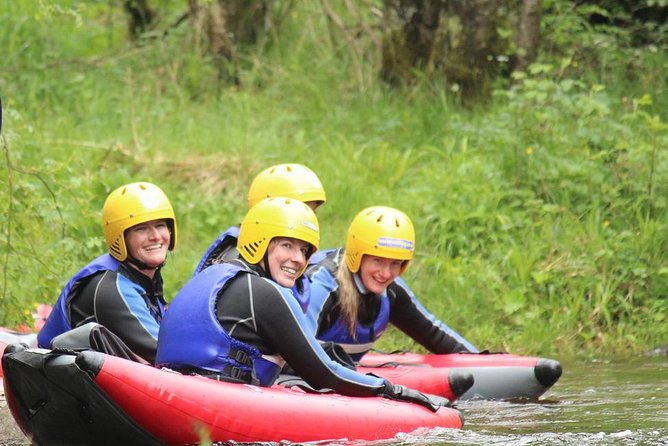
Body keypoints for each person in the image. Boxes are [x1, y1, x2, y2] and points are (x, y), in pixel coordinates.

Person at [156, 197, 449, 411]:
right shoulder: (262, 292)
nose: (298, 258)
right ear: (259, 241)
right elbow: (324, 374)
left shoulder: (216, 273)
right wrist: (392, 389)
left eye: (304, 250)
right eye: (287, 245)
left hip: (173, 391)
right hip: (213, 403)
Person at [305, 206, 478, 363]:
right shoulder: (321, 288)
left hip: (336, 373)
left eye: (395, 263)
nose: (386, 273)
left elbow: (435, 335)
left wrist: (481, 364)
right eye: (378, 261)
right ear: (358, 255)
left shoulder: (392, 291)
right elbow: (291, 351)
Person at [37, 182, 177, 364]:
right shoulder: (111, 288)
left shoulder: (143, 280)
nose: (156, 236)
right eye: (141, 229)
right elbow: (167, 354)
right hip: (56, 387)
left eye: (160, 226)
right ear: (120, 237)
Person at [193, 163, 326, 312]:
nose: (309, 220)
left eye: (312, 213)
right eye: (301, 209)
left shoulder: (295, 257)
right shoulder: (238, 262)